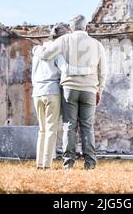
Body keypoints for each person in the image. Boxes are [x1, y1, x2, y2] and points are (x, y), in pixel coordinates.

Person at [35, 15, 107, 170]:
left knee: (69, 126)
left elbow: (46, 55)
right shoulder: (97, 44)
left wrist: (37, 49)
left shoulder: (64, 40)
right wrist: (99, 89)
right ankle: (90, 164)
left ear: (72, 27)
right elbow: (103, 71)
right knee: (87, 126)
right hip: (89, 90)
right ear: (86, 27)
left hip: (69, 89)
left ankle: (68, 164)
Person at [31, 24, 70, 170]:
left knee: (42, 130)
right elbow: (65, 70)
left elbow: (33, 75)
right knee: (51, 129)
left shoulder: (37, 52)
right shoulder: (57, 52)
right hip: (52, 91)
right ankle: (47, 165)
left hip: (37, 92)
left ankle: (39, 163)